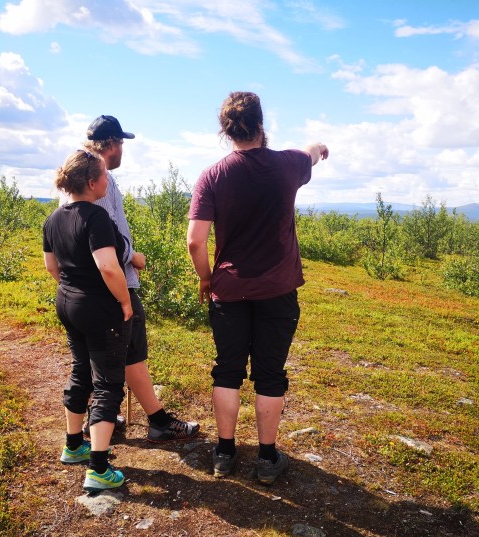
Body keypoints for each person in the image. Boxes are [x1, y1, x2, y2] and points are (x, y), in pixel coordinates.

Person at [187, 92, 329, 485]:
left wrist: (205, 277)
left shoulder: (213, 175)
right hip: (278, 290)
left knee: (227, 371)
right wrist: (319, 147)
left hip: (229, 291)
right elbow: (311, 152)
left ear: (225, 130)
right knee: (270, 374)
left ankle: (225, 452)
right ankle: (267, 458)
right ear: (262, 124)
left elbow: (195, 241)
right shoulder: (288, 164)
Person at [78, 115, 200, 442]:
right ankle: (154, 421)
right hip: (116, 282)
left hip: (89, 287)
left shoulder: (78, 175)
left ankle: (100, 418)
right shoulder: (98, 178)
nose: (123, 151)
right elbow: (101, 234)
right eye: (122, 144)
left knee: (103, 355)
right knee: (130, 353)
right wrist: (132, 256)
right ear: (113, 145)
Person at [44, 150, 131, 493]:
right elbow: (108, 266)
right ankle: (97, 467)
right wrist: (124, 300)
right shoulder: (95, 217)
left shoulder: (54, 219)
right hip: (98, 308)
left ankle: (73, 445)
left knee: (81, 370)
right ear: (92, 182)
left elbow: (52, 268)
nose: (108, 181)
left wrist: (74, 290)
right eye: (104, 176)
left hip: (66, 302)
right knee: (108, 381)